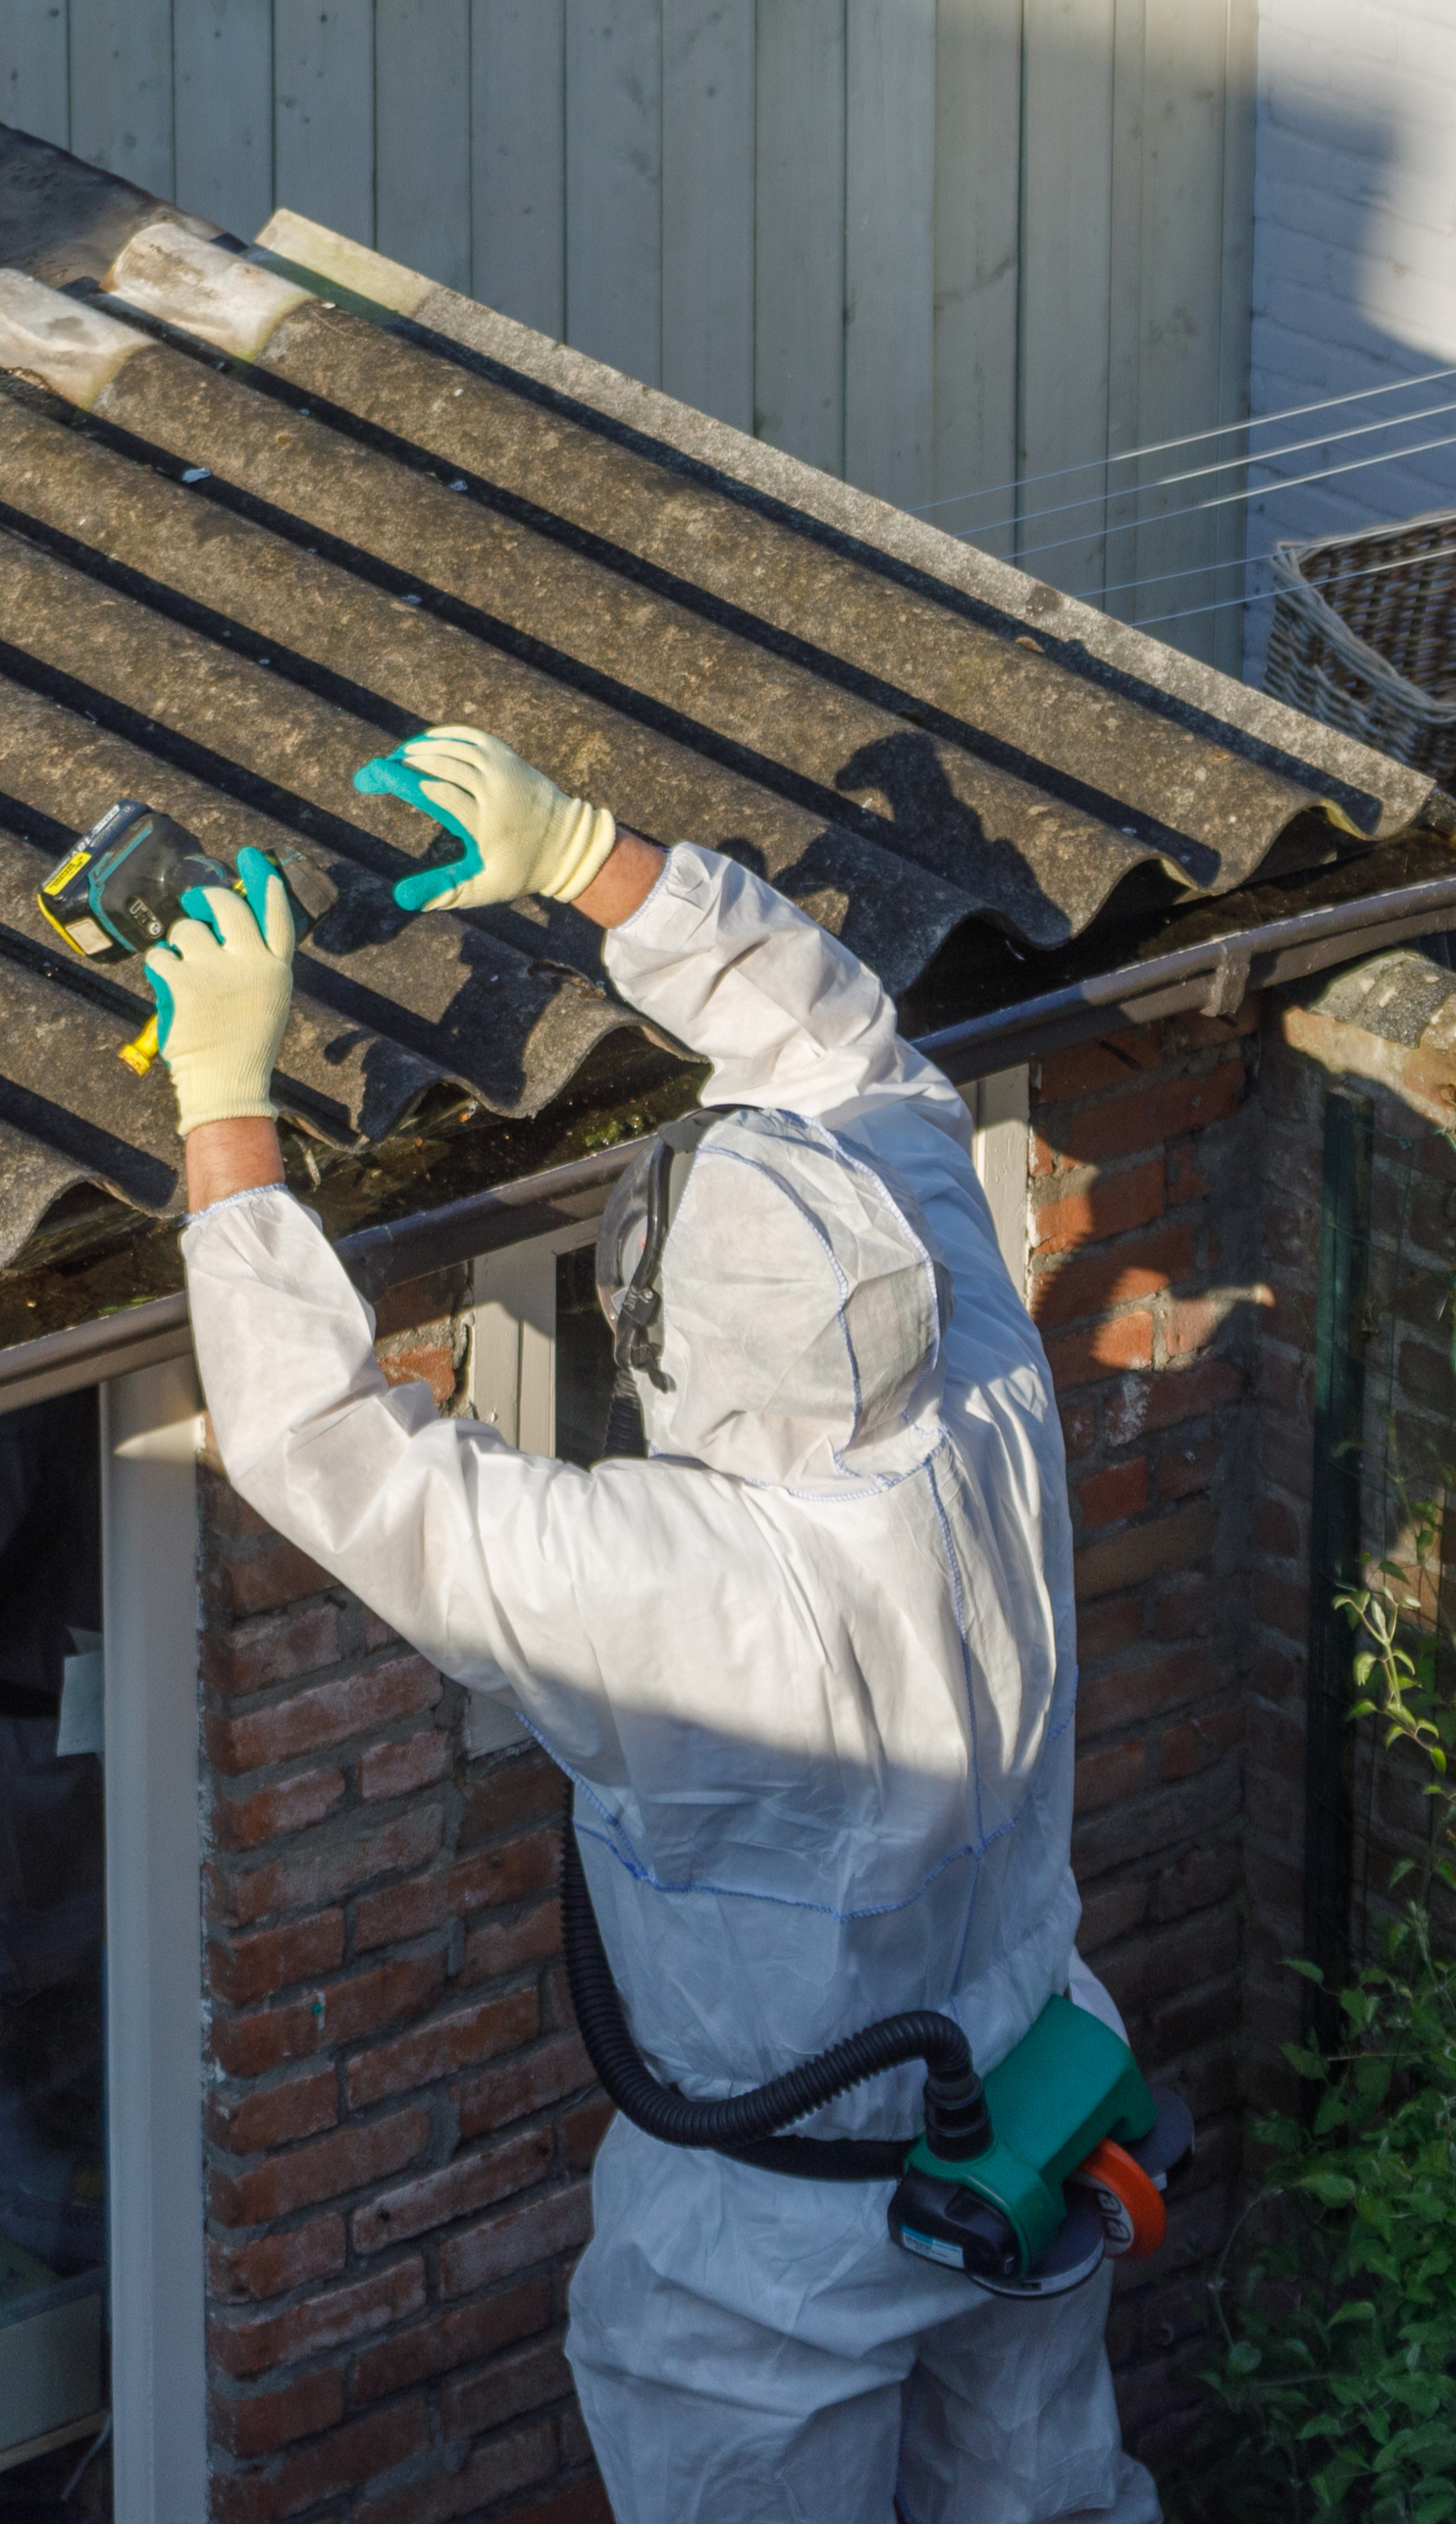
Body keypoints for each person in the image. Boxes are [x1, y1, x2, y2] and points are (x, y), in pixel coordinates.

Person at [139, 724, 1155, 2524]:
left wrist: (228, 1100)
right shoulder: (984, 1384)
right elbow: (849, 1052)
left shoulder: (673, 1586)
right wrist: (592, 852)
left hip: (778, 2226)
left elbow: (320, 1448)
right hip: (1026, 2107)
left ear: (662, 1346)